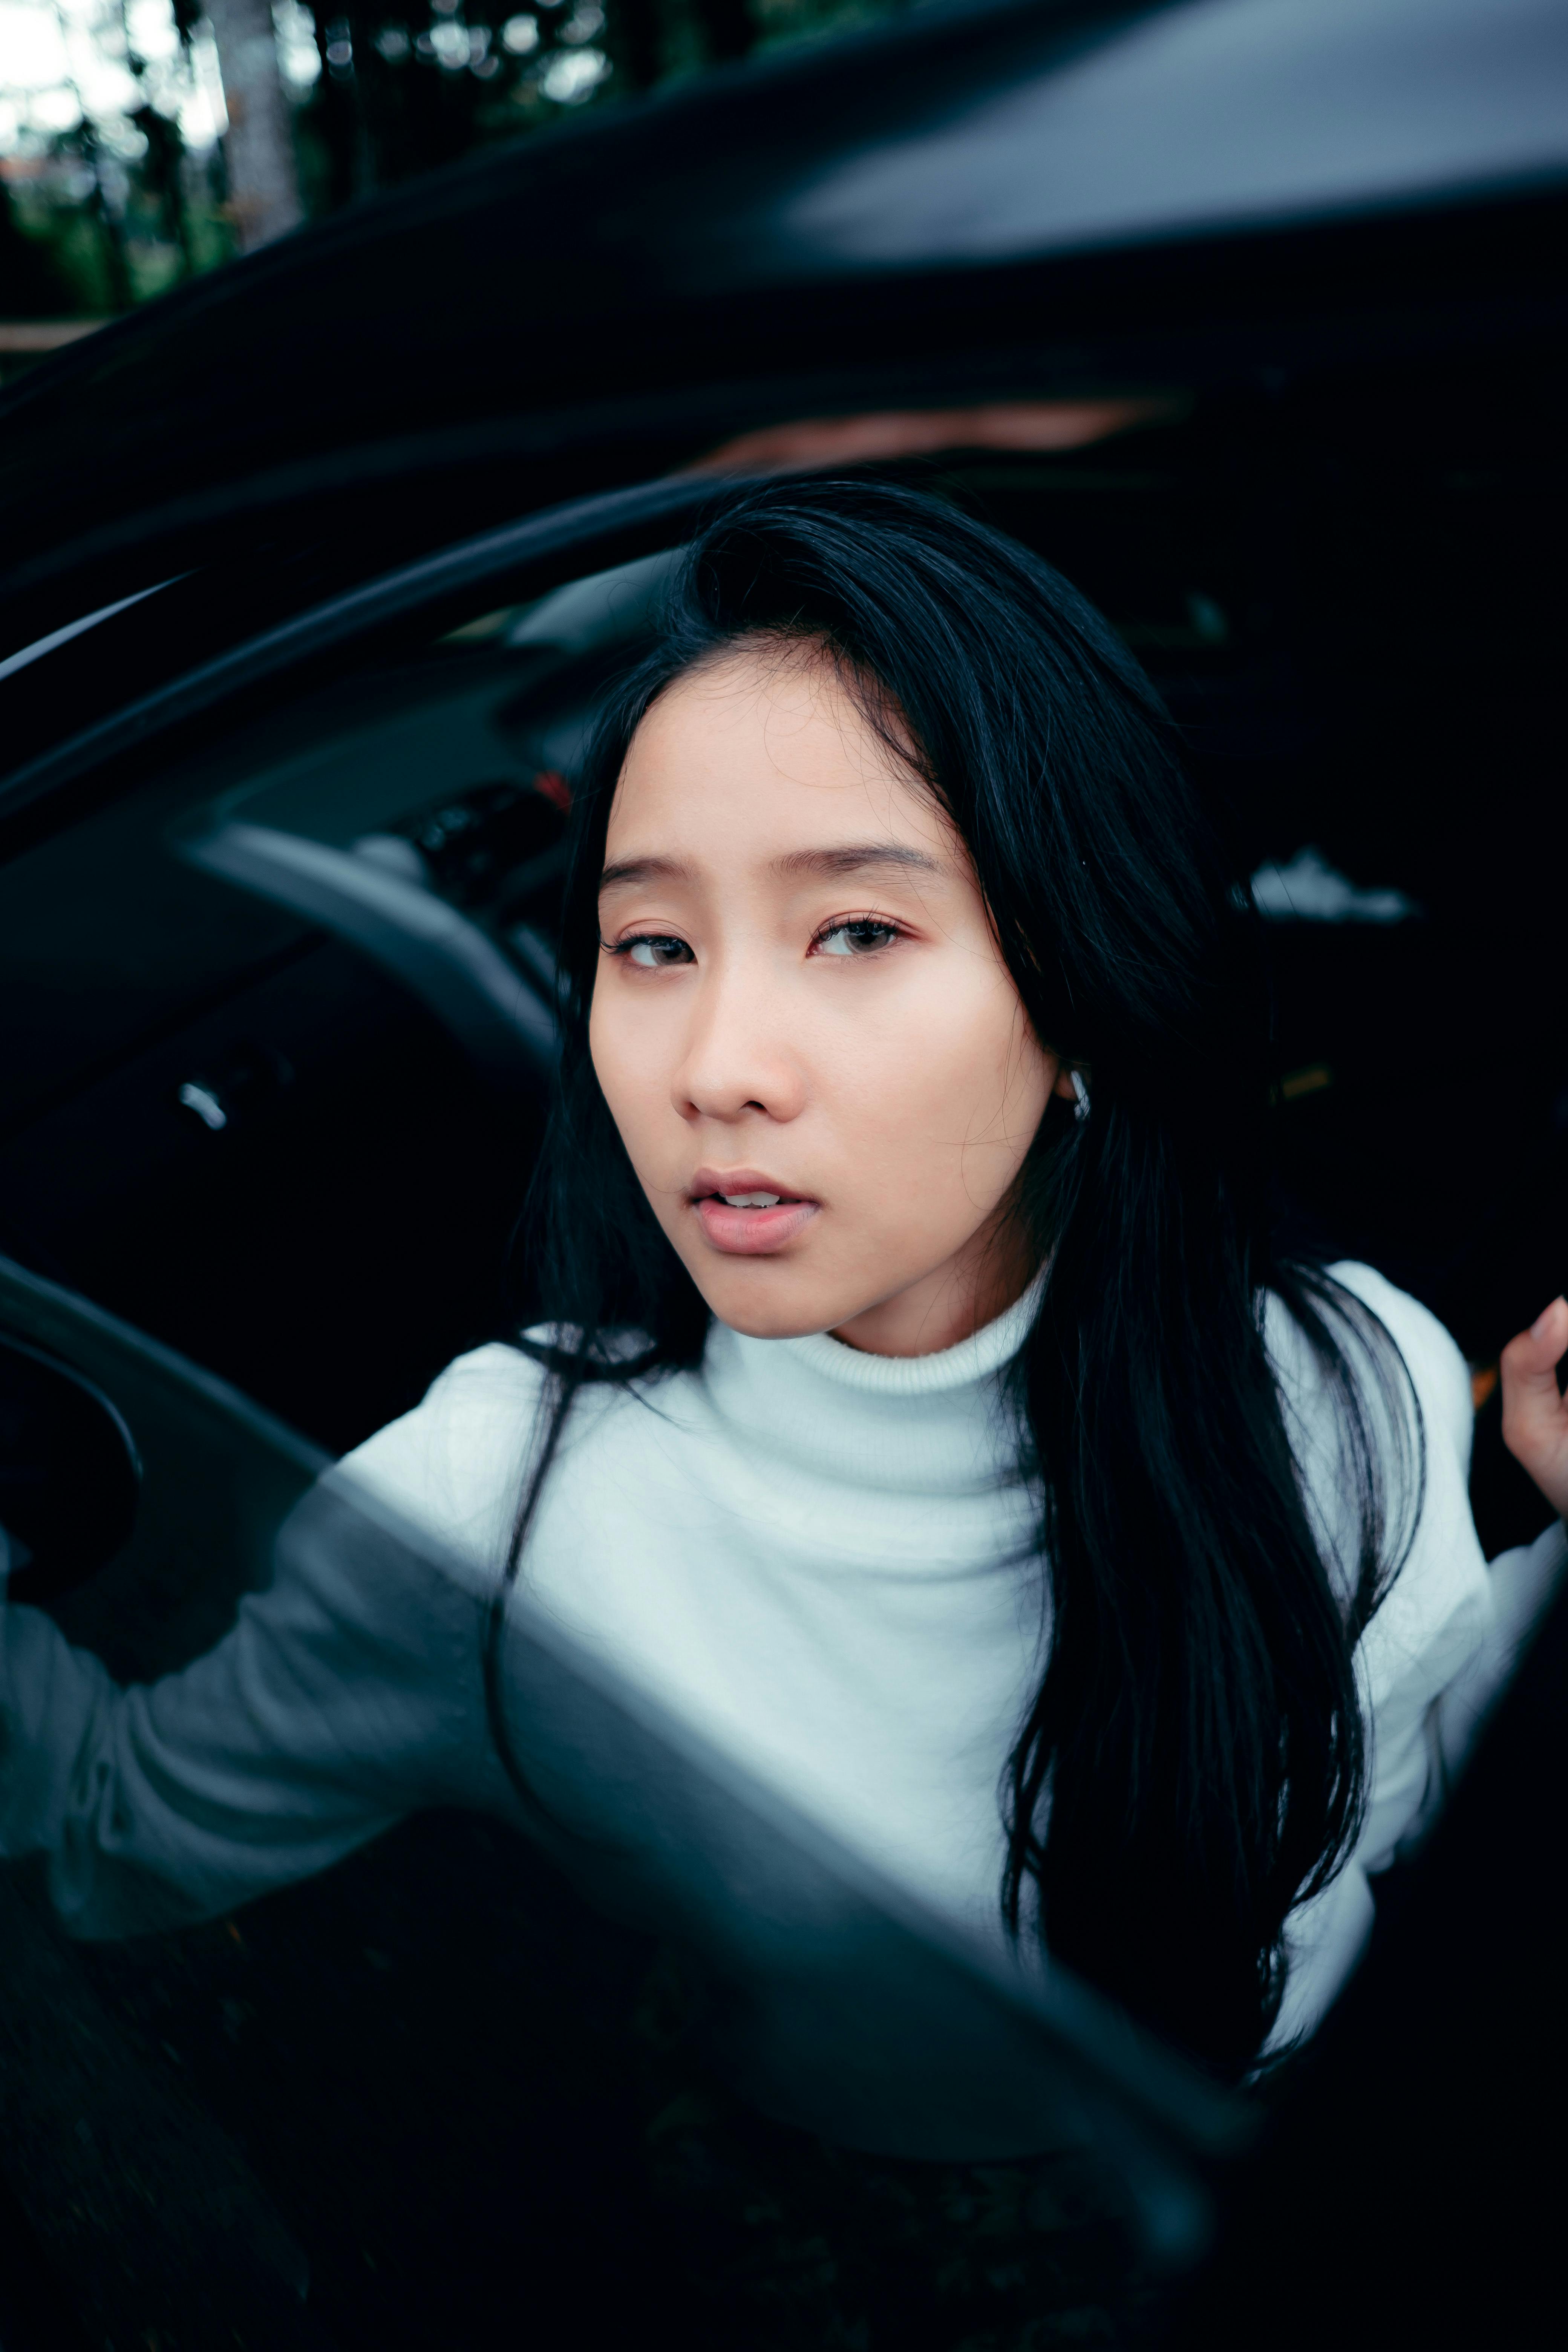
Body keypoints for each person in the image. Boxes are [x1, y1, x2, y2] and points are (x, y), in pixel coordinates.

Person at [1, 480, 1562, 2113]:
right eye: (652, 946)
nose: (717, 1070)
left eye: (856, 928)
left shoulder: (1350, 1374)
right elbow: (114, 1824)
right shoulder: (497, 1519)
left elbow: (1391, 1786)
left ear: (1085, 994)